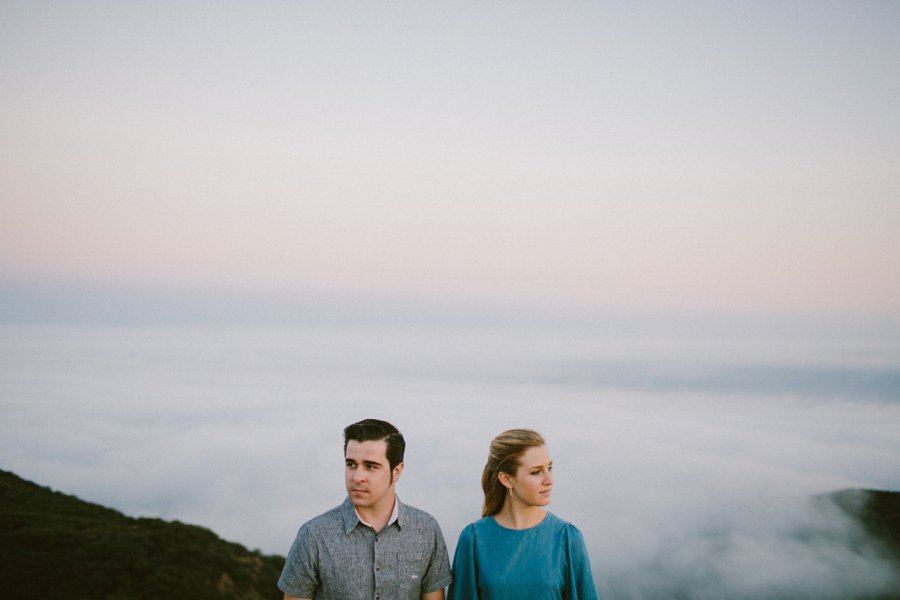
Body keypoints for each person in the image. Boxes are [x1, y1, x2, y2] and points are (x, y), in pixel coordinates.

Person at [278, 418, 452, 600]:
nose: (357, 476)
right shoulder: (313, 535)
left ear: (397, 471)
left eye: (370, 466)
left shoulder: (426, 530)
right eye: (351, 464)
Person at [448, 428, 599, 600]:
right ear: (506, 479)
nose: (549, 480)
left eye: (550, 468)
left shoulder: (567, 537)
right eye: (536, 472)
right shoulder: (474, 539)